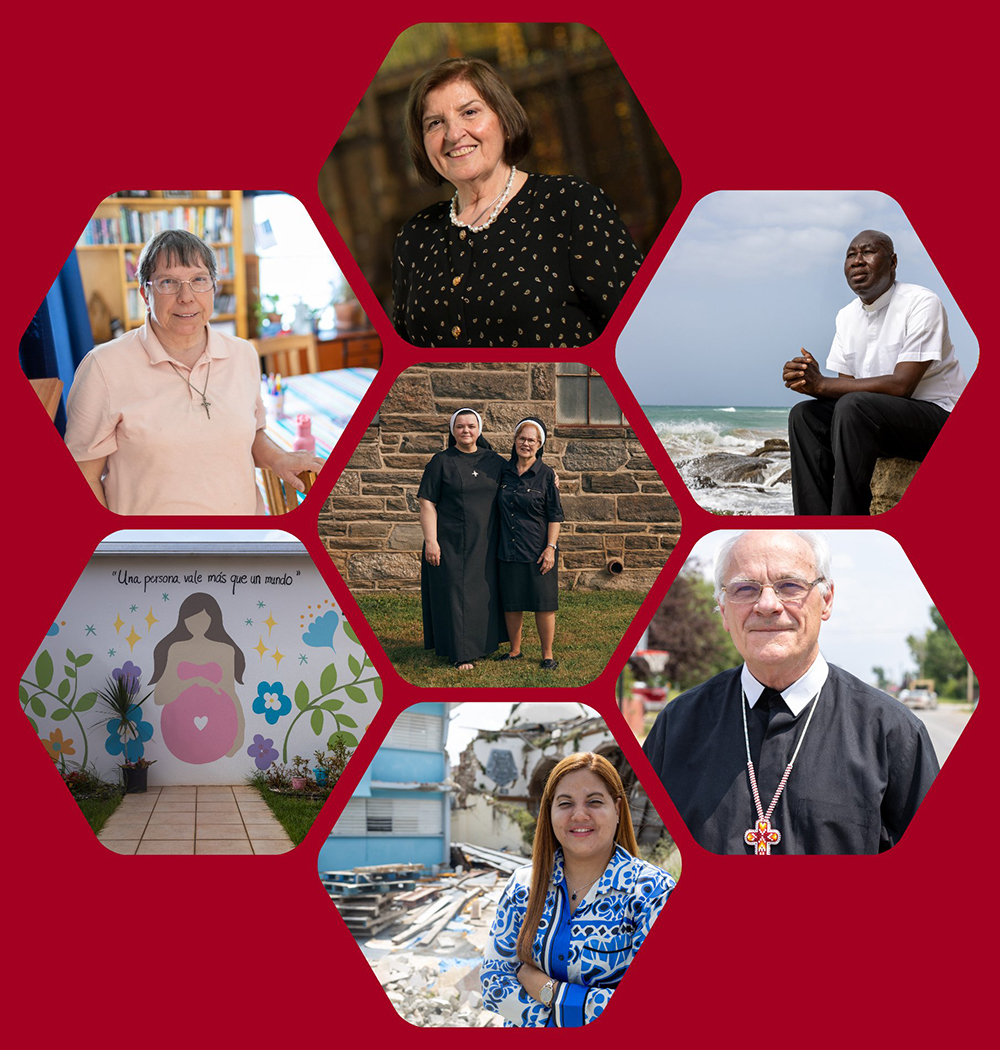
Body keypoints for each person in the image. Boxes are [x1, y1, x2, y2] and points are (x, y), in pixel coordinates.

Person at [643, 530, 939, 854]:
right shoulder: (677, 726)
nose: (767, 605)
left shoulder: (892, 734)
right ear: (724, 609)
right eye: (745, 589)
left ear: (826, 600)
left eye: (790, 586)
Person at [64, 229, 324, 514]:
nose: (186, 296)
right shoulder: (103, 367)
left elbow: (252, 433)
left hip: (244, 540)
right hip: (153, 551)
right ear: (145, 294)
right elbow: (83, 476)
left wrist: (278, 458)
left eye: (198, 280)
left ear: (214, 287)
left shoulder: (243, 354)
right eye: (168, 282)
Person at [393, 57, 643, 348]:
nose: (453, 134)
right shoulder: (414, 236)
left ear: (505, 121)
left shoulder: (572, 204)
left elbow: (641, 335)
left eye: (470, 112)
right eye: (435, 123)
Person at [481, 752, 675, 1027]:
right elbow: (493, 985)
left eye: (594, 802)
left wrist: (551, 993)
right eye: (565, 803)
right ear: (549, 813)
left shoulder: (653, 893)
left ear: (618, 809)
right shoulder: (522, 885)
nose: (580, 814)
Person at [784, 230, 967, 515]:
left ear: (893, 262)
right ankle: (813, 523)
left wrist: (821, 385)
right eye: (850, 255)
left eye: (868, 252)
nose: (857, 261)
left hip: (938, 418)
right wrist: (807, 380)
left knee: (854, 405)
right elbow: (843, 392)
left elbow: (901, 386)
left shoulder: (921, 302)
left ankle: (848, 521)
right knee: (804, 416)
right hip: (879, 422)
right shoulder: (846, 316)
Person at [418, 408, 507, 670]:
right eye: (460, 426)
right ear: (452, 430)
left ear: (479, 429)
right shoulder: (441, 461)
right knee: (456, 594)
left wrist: (552, 478)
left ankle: (483, 644)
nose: (465, 431)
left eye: (470, 426)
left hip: (486, 539)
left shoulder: (495, 461)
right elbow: (426, 502)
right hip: (450, 541)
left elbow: (523, 471)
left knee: (481, 594)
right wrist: (431, 541)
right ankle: (460, 653)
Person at [496, 419, 564, 669]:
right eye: (521, 439)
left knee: (543, 603)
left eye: (531, 440)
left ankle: (547, 655)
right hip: (508, 547)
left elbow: (555, 515)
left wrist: (551, 548)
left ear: (539, 445)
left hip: (538, 549)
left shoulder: (546, 476)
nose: (526, 444)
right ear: (514, 442)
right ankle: (515, 650)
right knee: (512, 602)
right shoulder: (502, 471)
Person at [149, 593, 246, 764]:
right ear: (183, 620)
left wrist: (240, 731)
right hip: (178, 727)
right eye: (190, 619)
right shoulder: (176, 649)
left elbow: (230, 692)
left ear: (213, 620)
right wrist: (193, 681)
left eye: (202, 619)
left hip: (219, 724)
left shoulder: (225, 650)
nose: (196, 625)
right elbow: (159, 696)